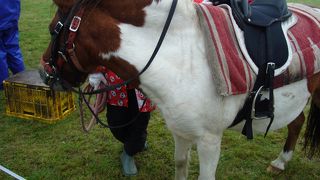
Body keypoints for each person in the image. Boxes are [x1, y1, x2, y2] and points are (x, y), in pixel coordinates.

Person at [89, 67, 155, 176]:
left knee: (140, 122)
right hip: (116, 88)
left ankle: (130, 152)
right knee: (117, 124)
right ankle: (135, 143)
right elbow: (99, 52)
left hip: (141, 84)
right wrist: (95, 71)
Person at [0, 0, 25, 90]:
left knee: (1, 53)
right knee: (13, 49)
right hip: (11, 15)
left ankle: (3, 82)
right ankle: (22, 77)